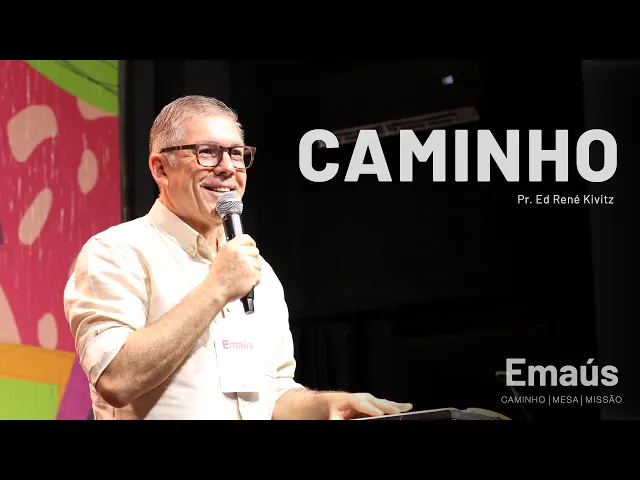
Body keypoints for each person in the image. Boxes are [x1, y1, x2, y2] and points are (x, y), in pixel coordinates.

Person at [63, 95, 413, 420]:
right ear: (161, 169)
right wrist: (217, 288)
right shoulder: (117, 251)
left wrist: (327, 405)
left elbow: (273, 395)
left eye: (236, 153)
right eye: (207, 153)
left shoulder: (259, 271)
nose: (228, 168)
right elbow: (115, 378)